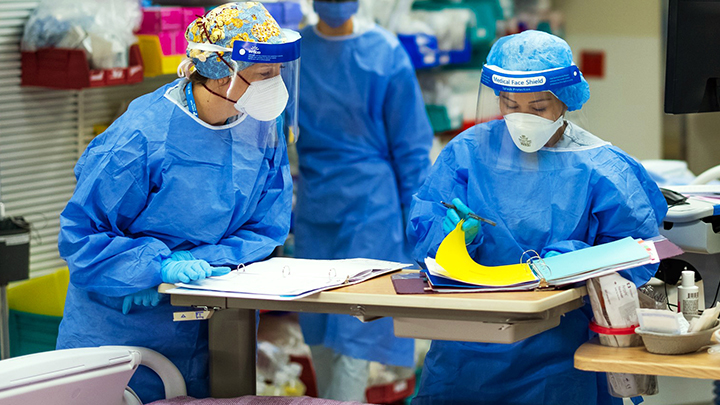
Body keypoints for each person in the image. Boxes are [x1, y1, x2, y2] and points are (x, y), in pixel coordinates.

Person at [406, 30, 667, 405]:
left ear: (564, 101)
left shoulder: (600, 167)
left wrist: (577, 260)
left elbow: (636, 252)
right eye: (510, 106)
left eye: (539, 108)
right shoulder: (467, 153)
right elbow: (428, 224)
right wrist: (455, 236)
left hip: (556, 351)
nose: (522, 118)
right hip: (467, 349)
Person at [56, 3, 300, 402]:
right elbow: (82, 237)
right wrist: (155, 267)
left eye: (278, 73)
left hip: (217, 326)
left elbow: (266, 226)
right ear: (223, 74)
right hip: (123, 327)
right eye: (264, 74)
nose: (276, 85)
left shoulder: (261, 129)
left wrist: (209, 264)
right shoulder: (140, 137)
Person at [293, 0, 434, 401]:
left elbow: (411, 148)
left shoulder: (385, 53)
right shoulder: (295, 53)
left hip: (371, 207)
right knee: (318, 325)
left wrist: (417, 220)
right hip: (316, 204)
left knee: (356, 332)